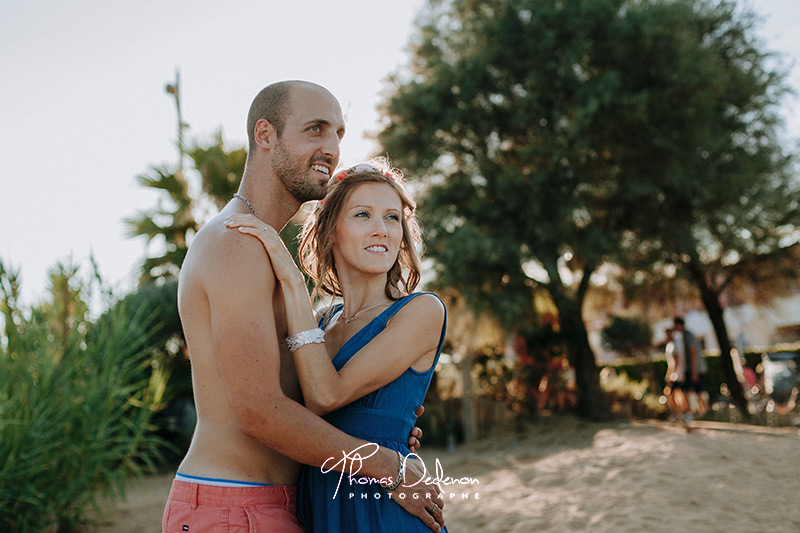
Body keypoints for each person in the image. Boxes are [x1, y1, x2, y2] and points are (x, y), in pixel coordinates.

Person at [162, 81, 444, 533]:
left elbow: (311, 395)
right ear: (265, 135)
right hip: (236, 508)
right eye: (315, 130)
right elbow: (258, 411)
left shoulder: (269, 252)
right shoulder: (237, 242)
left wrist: (382, 421)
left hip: (287, 504)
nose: (331, 148)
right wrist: (386, 464)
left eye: (338, 133)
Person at [225, 158, 448, 532]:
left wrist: (293, 283)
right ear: (330, 232)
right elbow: (283, 413)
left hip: (385, 507)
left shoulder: (422, 310)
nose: (382, 230)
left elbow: (326, 395)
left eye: (393, 218)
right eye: (363, 215)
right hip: (321, 505)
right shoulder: (319, 324)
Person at [673, 317, 709, 417]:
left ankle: (703, 411)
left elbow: (693, 354)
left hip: (695, 368)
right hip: (694, 368)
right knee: (692, 390)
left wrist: (694, 372)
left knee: (698, 391)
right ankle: (698, 411)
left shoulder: (687, 336)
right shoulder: (685, 336)